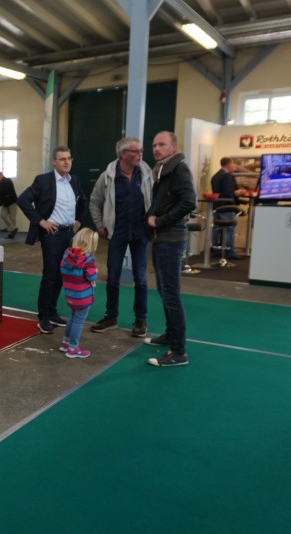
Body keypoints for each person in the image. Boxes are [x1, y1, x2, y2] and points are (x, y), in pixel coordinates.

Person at [17, 145, 87, 334]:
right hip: (52, 234)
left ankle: (52, 312)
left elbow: (83, 200)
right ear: (54, 162)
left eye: (69, 158)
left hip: (69, 234)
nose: (66, 162)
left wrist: (79, 220)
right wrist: (40, 221)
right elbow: (23, 199)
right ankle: (43, 317)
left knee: (61, 275)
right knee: (50, 276)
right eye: (62, 159)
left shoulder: (74, 180)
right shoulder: (43, 180)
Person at [88, 137, 153, 338]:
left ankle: (141, 320)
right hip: (117, 233)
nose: (140, 154)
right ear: (123, 154)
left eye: (141, 150)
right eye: (135, 151)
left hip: (140, 233)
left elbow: (155, 199)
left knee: (140, 278)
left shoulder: (146, 173)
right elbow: (94, 201)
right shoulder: (107, 177)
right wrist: (100, 225)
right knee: (113, 276)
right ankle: (111, 317)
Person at [144, 131, 196, 367]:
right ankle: (171, 335)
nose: (156, 148)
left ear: (173, 147)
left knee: (171, 294)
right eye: (154, 145)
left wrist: (161, 220)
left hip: (170, 238)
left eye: (162, 144)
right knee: (164, 291)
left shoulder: (178, 169)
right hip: (162, 238)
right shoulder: (163, 169)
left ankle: (178, 352)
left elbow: (189, 202)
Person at [59, 228, 99, 359]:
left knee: (72, 318)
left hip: (70, 295)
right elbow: (92, 277)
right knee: (78, 322)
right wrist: (95, 271)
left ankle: (65, 343)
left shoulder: (67, 255)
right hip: (83, 297)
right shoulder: (88, 260)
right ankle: (73, 348)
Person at [210, 157, 244, 259]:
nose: (233, 167)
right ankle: (230, 252)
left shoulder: (215, 176)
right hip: (227, 206)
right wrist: (237, 192)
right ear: (229, 164)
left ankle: (215, 250)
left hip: (216, 206)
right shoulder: (227, 176)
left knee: (216, 228)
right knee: (229, 229)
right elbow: (228, 193)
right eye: (232, 165)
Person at [0, 171, 19, 238]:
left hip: (12, 202)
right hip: (5, 203)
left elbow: (3, 190)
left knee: (12, 218)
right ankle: (13, 228)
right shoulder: (0, 182)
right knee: (3, 215)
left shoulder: (8, 180)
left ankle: (12, 233)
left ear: (0, 175)